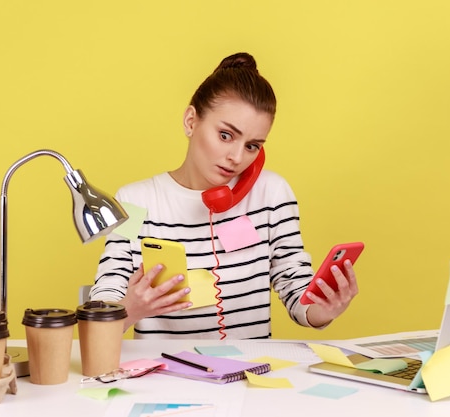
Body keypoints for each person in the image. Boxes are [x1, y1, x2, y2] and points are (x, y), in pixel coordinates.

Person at [90, 52, 359, 339]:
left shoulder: (271, 193)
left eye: (252, 146)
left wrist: (325, 309)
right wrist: (130, 309)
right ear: (191, 121)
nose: (236, 157)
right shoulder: (134, 201)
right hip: (165, 377)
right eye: (226, 135)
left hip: (249, 374)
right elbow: (104, 299)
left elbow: (295, 287)